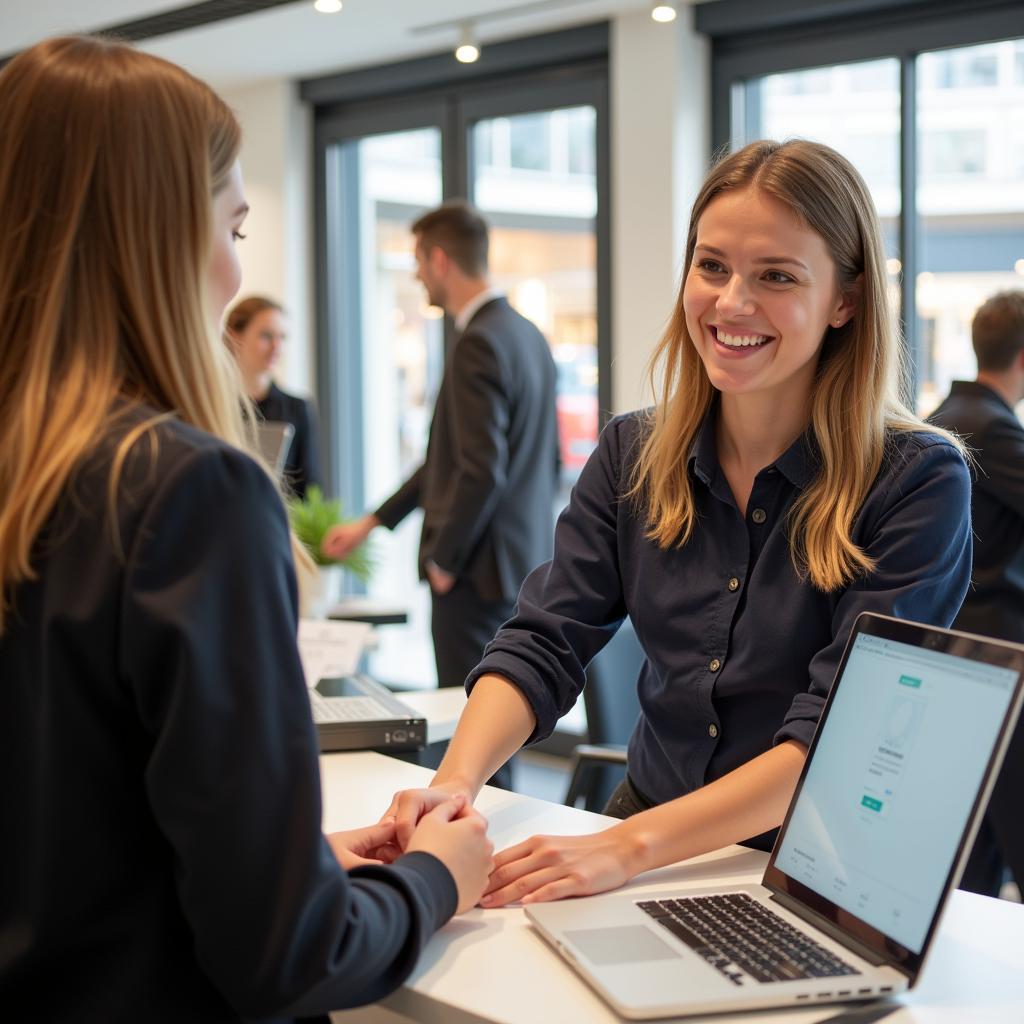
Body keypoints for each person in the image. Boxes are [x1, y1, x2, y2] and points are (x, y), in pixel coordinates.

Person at [0, 36, 493, 1021]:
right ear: (158, 238)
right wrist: (437, 876)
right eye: (232, 226)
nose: (234, 272)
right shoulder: (188, 492)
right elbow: (291, 959)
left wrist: (295, 861)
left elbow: (73, 839)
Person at [379, 139, 973, 908]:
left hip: (811, 872)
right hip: (646, 840)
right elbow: (544, 638)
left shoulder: (917, 480)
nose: (731, 303)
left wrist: (623, 848)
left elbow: (839, 737)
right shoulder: (633, 451)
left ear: (845, 302)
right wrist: (454, 785)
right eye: (712, 266)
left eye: (777, 277)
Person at [323, 200, 559, 698]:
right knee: (502, 720)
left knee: (469, 721)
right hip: (519, 568)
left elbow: (481, 470)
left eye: (417, 262)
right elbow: (465, 461)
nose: (416, 275)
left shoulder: (477, 341)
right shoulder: (527, 335)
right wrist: (371, 523)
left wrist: (444, 561)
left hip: (473, 577)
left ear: (439, 261)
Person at [929, 289, 1024, 899]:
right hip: (996, 649)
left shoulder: (947, 413)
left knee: (979, 831)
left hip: (960, 644)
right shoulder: (988, 425)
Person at [226, 295, 323, 499]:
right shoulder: (215, 403)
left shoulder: (298, 408)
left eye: (283, 337)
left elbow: (310, 489)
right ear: (235, 336)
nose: (277, 347)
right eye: (266, 336)